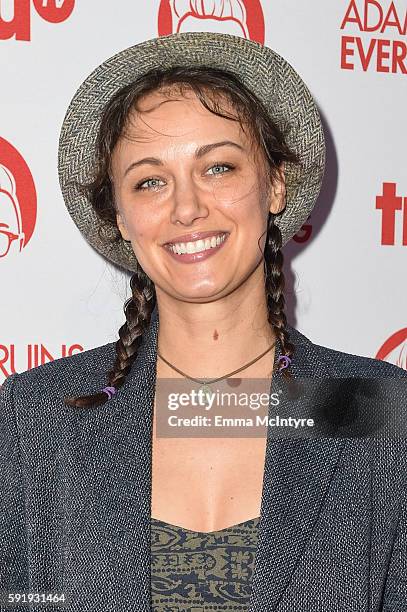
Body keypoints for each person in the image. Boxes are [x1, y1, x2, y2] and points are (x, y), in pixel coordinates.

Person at [1, 32, 406, 612]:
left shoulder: (379, 413)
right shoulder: (36, 415)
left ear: (276, 185)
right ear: (119, 215)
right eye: (150, 181)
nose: (187, 207)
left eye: (217, 167)